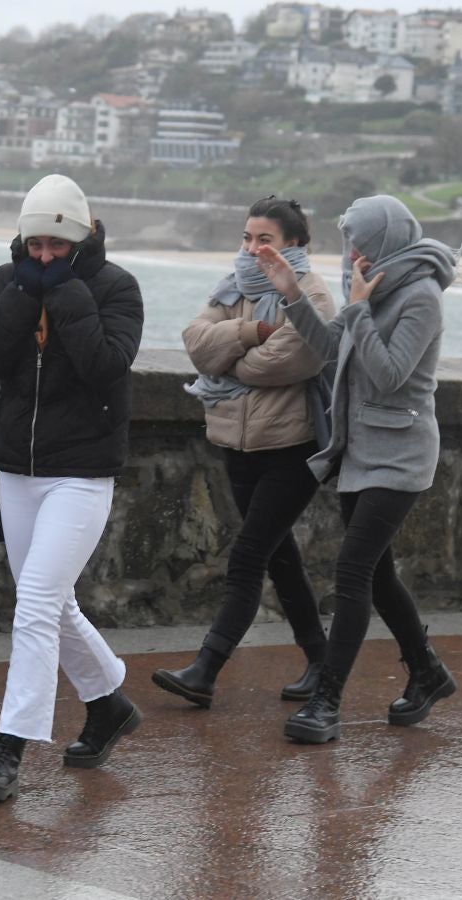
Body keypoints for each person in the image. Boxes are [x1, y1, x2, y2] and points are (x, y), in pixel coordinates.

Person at [0, 174, 145, 802]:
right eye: (33, 245)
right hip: (18, 469)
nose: (43, 256)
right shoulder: (9, 283)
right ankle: (108, 703)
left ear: (80, 238)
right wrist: (21, 295)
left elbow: (105, 366)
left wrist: (64, 293)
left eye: (55, 246)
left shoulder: (115, 287)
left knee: (36, 603)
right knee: (52, 601)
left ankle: (8, 751)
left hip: (81, 473)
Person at [255, 193, 459, 744]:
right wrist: (294, 295)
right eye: (348, 245)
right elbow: (329, 352)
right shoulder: (369, 290)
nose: (352, 255)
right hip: (360, 453)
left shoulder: (420, 297)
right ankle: (428, 671)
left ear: (385, 244)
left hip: (402, 455)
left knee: (351, 572)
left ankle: (327, 702)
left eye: (360, 245)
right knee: (379, 575)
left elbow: (390, 374)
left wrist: (360, 307)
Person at [154, 198, 336, 711]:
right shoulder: (232, 287)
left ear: (295, 244)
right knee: (281, 558)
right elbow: (196, 342)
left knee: (249, 556)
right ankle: (321, 660)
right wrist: (252, 332)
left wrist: (231, 361)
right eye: (247, 238)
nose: (253, 249)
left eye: (266, 240)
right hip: (237, 444)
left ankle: (206, 669)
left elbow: (287, 361)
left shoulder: (314, 294)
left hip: (292, 448)